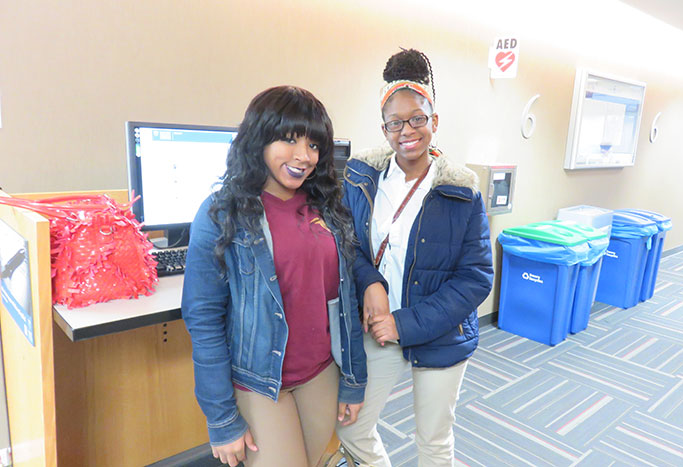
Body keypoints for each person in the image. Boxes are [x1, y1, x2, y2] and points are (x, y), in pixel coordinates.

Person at [181, 85, 366, 467]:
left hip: (320, 371)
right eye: (288, 139)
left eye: (314, 145)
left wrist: (354, 379)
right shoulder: (223, 213)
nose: (304, 156)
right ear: (259, 140)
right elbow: (203, 317)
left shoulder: (328, 207)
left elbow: (343, 300)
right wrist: (221, 417)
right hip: (260, 379)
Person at [337, 49, 494, 466]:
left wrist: (404, 323)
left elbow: (476, 278)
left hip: (438, 332)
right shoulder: (361, 180)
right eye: (395, 122)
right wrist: (369, 281)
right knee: (350, 426)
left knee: (433, 441)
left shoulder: (461, 192)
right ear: (384, 128)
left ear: (434, 121)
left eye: (417, 119)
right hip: (379, 330)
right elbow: (348, 243)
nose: (407, 130)